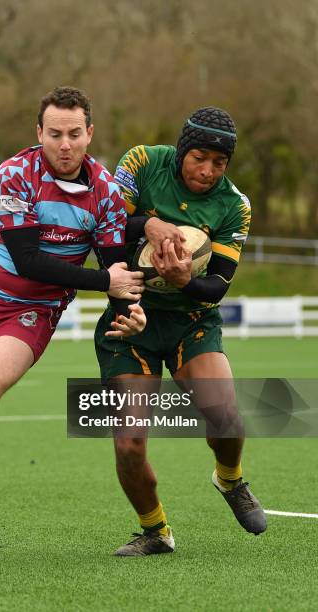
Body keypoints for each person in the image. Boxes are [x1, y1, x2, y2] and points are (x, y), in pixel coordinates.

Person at [0, 86, 147, 553]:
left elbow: (116, 268)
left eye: (75, 133)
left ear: (90, 134)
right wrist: (104, 284)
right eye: (55, 133)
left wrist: (129, 313)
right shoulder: (14, 174)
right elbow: (30, 258)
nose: (65, 144)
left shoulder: (108, 195)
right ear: (39, 133)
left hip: (33, 313)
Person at [94, 106, 267, 556]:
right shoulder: (142, 163)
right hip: (130, 318)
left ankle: (229, 480)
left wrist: (184, 281)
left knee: (225, 415)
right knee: (130, 443)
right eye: (199, 158)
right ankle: (155, 530)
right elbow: (103, 230)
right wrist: (147, 223)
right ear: (182, 150)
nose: (208, 171)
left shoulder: (235, 205)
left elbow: (216, 288)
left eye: (219, 162)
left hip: (192, 320)